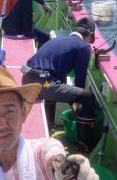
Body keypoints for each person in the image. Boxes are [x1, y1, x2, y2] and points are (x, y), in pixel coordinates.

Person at [21, 17, 98, 150]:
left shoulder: (57, 40)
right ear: (90, 34)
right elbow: (80, 80)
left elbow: (60, 78)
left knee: (54, 88)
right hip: (43, 85)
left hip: (28, 79)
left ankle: (49, 128)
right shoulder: (84, 46)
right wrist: (76, 101)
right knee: (88, 97)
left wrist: (71, 101)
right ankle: (85, 145)